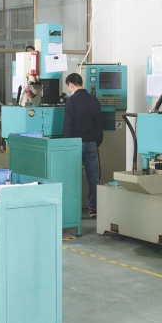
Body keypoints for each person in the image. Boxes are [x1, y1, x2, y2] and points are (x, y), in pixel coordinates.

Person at [62, 72, 103, 217]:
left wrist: (65, 143)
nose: (69, 90)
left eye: (68, 87)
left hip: (75, 144)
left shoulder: (71, 101)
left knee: (73, 177)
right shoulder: (94, 100)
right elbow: (99, 124)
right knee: (92, 178)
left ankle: (72, 210)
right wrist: (98, 143)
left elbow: (68, 125)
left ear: (71, 85)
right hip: (92, 143)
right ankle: (93, 209)